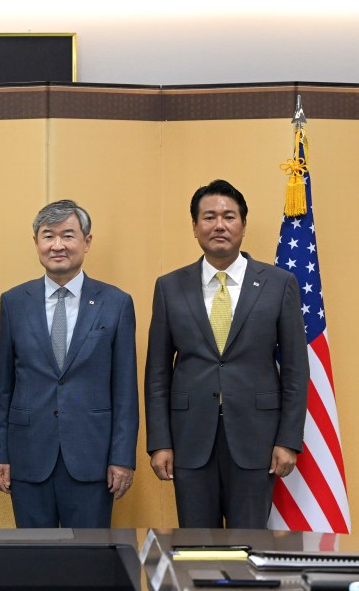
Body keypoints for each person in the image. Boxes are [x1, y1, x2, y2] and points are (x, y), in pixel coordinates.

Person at [145, 179, 309, 528]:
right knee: (195, 547)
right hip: (189, 442)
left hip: (257, 441)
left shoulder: (279, 283)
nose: (219, 225)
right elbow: (157, 373)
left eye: (229, 216)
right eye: (209, 217)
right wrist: (159, 442)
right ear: (194, 227)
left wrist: (288, 440)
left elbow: (296, 369)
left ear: (243, 225)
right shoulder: (170, 287)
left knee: (249, 547)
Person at [0, 200, 138, 528]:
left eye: (68, 235)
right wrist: (0, 453)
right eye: (48, 236)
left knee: (88, 564)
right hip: (28, 457)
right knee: (33, 565)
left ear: (86, 242)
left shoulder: (116, 303)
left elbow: (125, 389)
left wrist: (122, 457)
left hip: (93, 458)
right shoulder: (13, 302)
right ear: (36, 243)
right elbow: (2, 386)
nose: (57, 245)